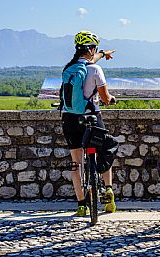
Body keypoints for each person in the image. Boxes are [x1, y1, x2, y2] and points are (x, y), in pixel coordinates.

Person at [61, 30, 117, 216]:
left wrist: (102, 54)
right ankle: (108, 190)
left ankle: (81, 204)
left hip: (69, 119)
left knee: (76, 163)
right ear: (91, 49)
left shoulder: (68, 69)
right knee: (105, 149)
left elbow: (88, 62)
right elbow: (105, 97)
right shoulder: (95, 70)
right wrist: (111, 99)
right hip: (92, 118)